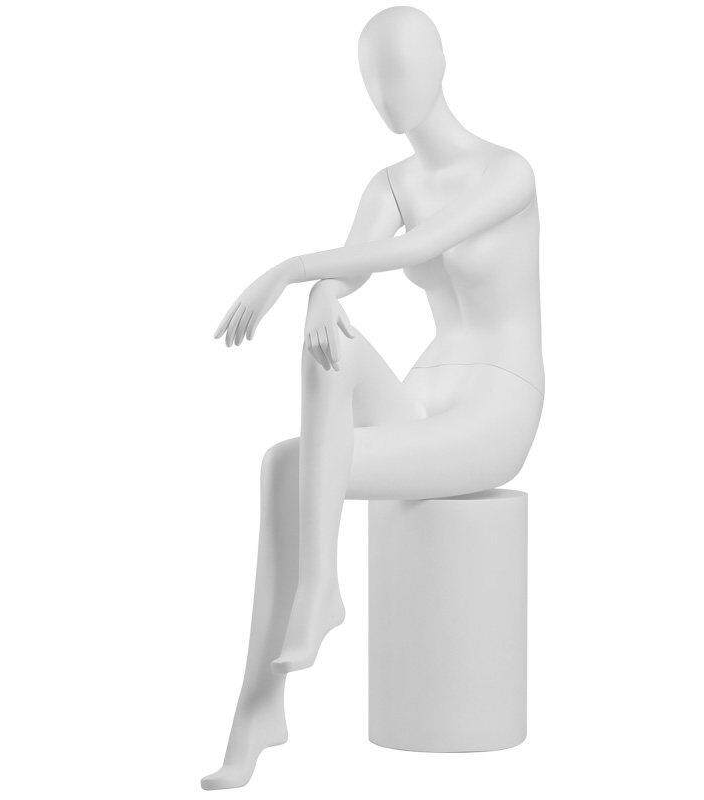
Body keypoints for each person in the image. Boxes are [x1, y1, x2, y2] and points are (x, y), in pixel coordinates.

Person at [202, 6, 544, 790]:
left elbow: (421, 246)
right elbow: (355, 268)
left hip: (499, 405)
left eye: (402, 68)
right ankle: (265, 701)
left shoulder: (508, 173)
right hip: (427, 393)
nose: (388, 91)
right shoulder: (392, 183)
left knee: (296, 468)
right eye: (373, 77)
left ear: (441, 64)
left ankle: (308, 610)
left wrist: (290, 270)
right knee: (292, 436)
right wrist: (324, 291)